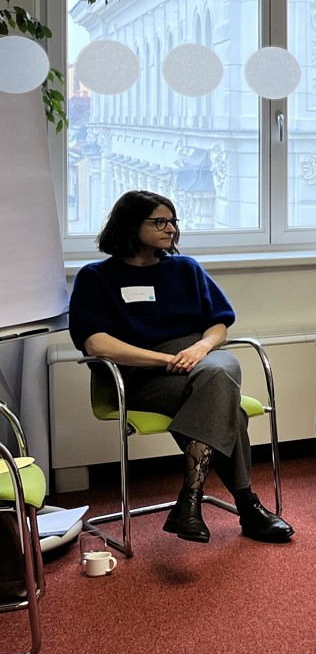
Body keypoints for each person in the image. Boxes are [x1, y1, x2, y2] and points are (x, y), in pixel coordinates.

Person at [67, 190, 291, 544]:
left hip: (199, 361)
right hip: (141, 375)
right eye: (160, 221)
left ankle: (191, 498)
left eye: (173, 221)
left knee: (222, 367)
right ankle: (247, 506)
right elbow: (96, 343)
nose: (170, 228)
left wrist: (201, 347)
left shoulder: (185, 269)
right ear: (130, 224)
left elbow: (219, 322)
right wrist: (164, 359)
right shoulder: (96, 277)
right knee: (230, 408)